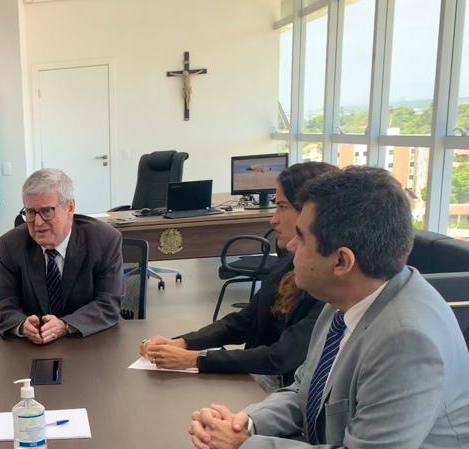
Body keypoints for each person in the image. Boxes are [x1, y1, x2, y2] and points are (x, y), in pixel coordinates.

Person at [188, 166, 469, 449]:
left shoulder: (408, 339)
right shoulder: (347, 298)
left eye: (302, 238)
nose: (290, 244)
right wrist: (244, 424)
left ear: (341, 261)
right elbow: (302, 390)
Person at [141, 161, 335, 390]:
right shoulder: (286, 266)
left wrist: (196, 360)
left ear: (309, 213)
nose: (273, 219)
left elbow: (283, 357)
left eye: (282, 206)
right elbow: (243, 322)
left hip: (281, 389)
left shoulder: (329, 286)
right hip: (257, 377)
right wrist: (182, 343)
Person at [0, 168, 124, 343]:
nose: (37, 222)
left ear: (70, 208)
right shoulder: (11, 244)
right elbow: (3, 303)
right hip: (33, 346)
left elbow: (108, 303)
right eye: (30, 212)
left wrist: (65, 325)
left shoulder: (104, 240)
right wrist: (22, 325)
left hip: (89, 341)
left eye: (46, 211)